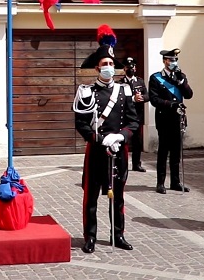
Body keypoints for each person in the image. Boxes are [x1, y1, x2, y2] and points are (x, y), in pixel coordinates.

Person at [73, 25, 139, 254]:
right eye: (104, 65)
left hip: (119, 149)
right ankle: (90, 236)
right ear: (96, 68)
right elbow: (80, 124)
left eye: (111, 64)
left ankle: (118, 234)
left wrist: (121, 136)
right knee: (91, 196)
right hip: (97, 150)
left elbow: (133, 121)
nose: (109, 68)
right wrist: (100, 139)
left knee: (118, 196)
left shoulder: (125, 91)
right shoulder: (86, 92)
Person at [148, 49, 193, 194]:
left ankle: (175, 182)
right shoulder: (156, 78)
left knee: (176, 152)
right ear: (164, 61)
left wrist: (182, 82)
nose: (173, 62)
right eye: (170, 60)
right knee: (163, 151)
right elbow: (154, 99)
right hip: (164, 118)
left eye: (175, 60)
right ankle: (160, 182)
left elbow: (189, 94)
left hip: (178, 119)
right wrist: (170, 104)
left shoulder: (180, 76)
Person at [119, 57, 149, 172]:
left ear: (135, 68)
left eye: (132, 67)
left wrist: (142, 98)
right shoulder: (120, 83)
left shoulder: (140, 81)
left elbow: (147, 96)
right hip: (125, 117)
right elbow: (120, 98)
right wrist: (133, 98)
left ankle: (137, 164)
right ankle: (122, 164)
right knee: (124, 141)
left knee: (137, 142)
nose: (130, 69)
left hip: (137, 117)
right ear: (124, 69)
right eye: (128, 67)